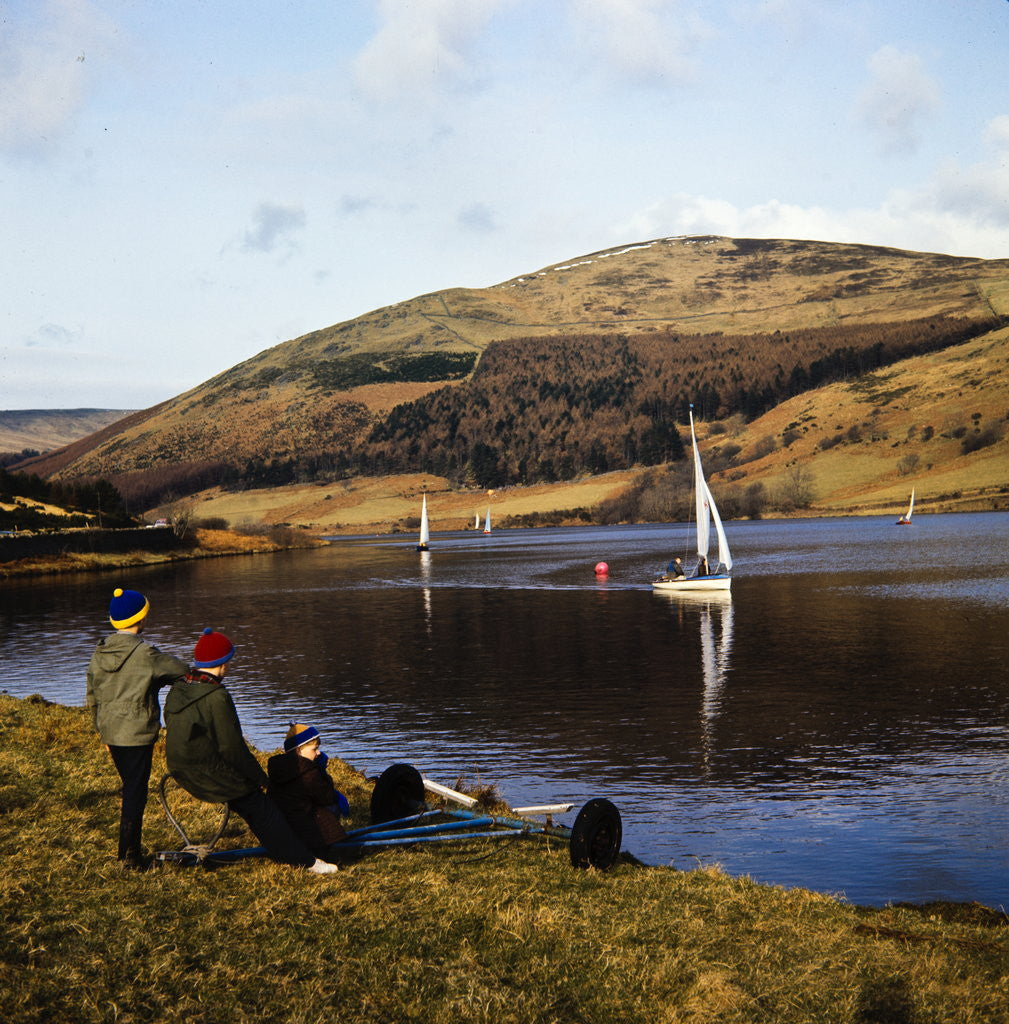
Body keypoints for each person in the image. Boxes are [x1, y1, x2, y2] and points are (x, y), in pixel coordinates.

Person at [163, 629, 339, 875]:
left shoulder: (179, 687)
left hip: (179, 766)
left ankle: (286, 848)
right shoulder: (217, 697)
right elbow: (232, 748)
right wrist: (260, 779)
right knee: (261, 808)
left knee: (253, 801)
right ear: (223, 664)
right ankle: (306, 861)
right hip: (204, 772)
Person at [86, 587, 187, 868]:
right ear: (141, 620)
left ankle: (128, 853)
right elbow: (180, 669)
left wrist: (101, 730)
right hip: (137, 733)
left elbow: (92, 695)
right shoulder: (147, 654)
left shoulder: (99, 652)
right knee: (135, 792)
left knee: (131, 787)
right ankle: (129, 856)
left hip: (111, 731)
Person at [267, 723, 352, 861]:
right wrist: (321, 771)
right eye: (315, 749)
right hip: (306, 829)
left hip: (282, 827)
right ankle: (326, 844)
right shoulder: (309, 773)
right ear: (299, 750)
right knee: (333, 806)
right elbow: (327, 797)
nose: (318, 752)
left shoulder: (279, 769)